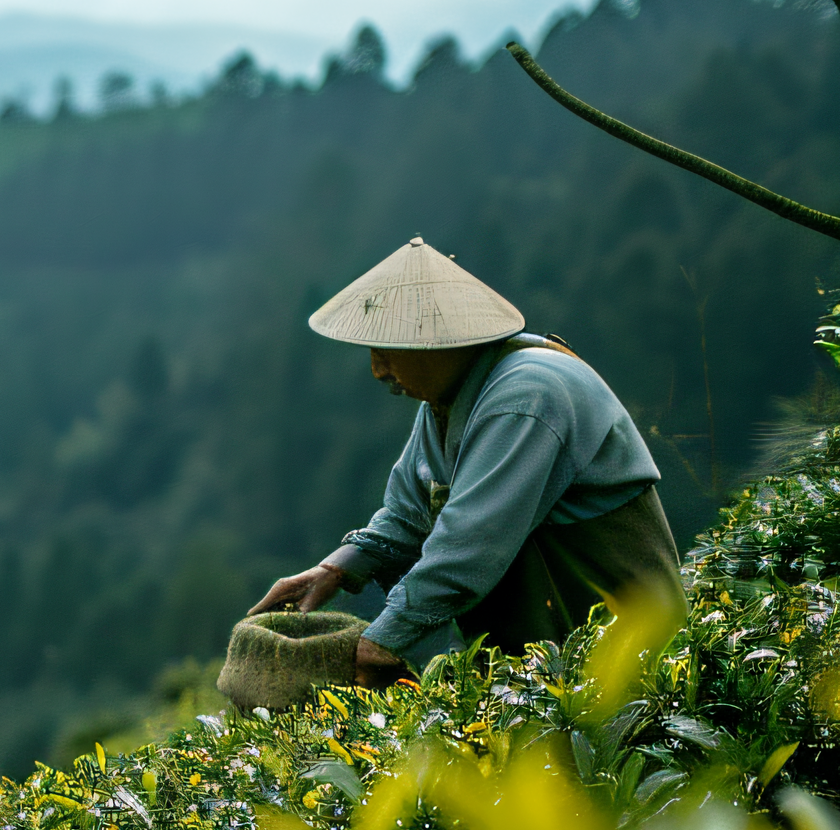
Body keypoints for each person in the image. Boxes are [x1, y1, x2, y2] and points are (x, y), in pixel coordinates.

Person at [251, 236, 680, 686]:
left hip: (629, 669)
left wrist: (382, 640)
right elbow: (409, 514)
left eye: (388, 351)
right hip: (543, 675)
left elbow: (470, 546)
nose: (378, 370)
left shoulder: (525, 396)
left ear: (437, 342)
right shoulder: (449, 401)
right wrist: (335, 570)